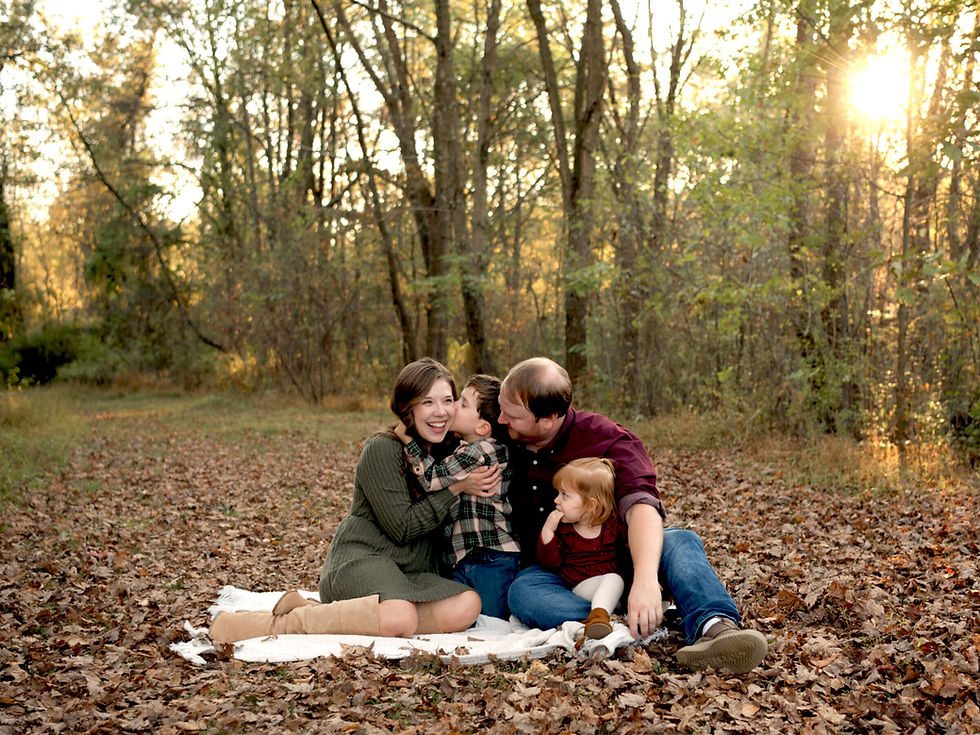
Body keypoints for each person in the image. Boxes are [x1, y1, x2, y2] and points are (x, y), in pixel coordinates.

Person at [500, 357, 767, 674]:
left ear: (548, 419)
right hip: (562, 572)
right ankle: (624, 619)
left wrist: (644, 579)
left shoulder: (607, 439)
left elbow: (641, 505)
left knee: (679, 541)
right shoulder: (501, 435)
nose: (500, 418)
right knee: (523, 594)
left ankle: (717, 629)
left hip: (618, 558)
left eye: (511, 415)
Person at [209, 358, 493, 643]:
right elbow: (402, 528)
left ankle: (369, 617)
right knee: (401, 617)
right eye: (427, 402)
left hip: (413, 571)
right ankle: (273, 624)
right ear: (408, 407)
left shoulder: (454, 453)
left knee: (468, 605)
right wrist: (455, 489)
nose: (440, 412)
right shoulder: (382, 449)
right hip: (363, 559)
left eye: (448, 400)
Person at [398, 374, 519, 620]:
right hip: (466, 555)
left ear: (482, 427)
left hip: (490, 555)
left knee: (491, 620)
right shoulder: (469, 448)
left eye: (462, 404)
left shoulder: (479, 452)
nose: (453, 408)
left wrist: (407, 439)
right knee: (466, 617)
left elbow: (431, 478)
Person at [537, 457, 624, 640]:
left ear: (590, 505)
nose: (556, 500)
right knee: (613, 580)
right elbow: (551, 563)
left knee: (620, 581)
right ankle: (598, 619)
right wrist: (548, 533)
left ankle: (623, 608)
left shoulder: (612, 526)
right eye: (558, 493)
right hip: (582, 585)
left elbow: (628, 556)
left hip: (616, 584)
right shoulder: (565, 530)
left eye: (564, 495)